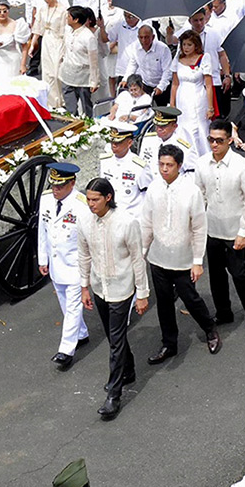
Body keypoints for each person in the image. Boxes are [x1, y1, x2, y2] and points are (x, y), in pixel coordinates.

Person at [140, 144, 221, 363]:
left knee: (190, 298)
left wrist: (197, 261)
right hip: (158, 258)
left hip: (183, 259)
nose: (164, 169)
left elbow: (198, 228)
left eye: (169, 165)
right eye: (161, 164)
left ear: (180, 166)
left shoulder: (191, 191)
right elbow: (146, 223)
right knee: (164, 304)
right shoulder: (154, 188)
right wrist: (142, 251)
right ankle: (169, 344)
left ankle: (209, 328)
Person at [79, 177, 149, 419]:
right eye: (88, 199)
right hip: (99, 288)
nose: (90, 204)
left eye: (95, 199)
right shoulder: (85, 221)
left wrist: (142, 294)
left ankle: (114, 396)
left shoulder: (127, 223)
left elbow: (138, 261)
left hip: (121, 289)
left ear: (108, 198)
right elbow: (84, 255)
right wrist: (84, 287)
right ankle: (127, 369)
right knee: (112, 336)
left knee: (116, 342)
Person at [197, 118, 245, 332]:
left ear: (230, 141)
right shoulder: (201, 163)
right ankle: (224, 312)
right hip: (212, 229)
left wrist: (243, 232)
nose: (214, 145)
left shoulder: (242, 167)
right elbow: (200, 196)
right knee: (216, 276)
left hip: (234, 231)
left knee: (239, 273)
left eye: (219, 140)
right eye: (211, 140)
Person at [38, 163, 91, 371]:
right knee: (64, 301)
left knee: (72, 306)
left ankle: (66, 351)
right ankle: (81, 333)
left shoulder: (82, 205)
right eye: (53, 185)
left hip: (76, 265)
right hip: (57, 265)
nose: (55, 190)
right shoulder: (46, 200)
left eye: (60, 186)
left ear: (72, 184)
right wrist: (43, 259)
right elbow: (42, 231)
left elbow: (88, 240)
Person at [171, 30, 216, 156]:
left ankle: (202, 155)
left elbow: (208, 85)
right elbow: (175, 84)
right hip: (182, 98)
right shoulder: (177, 58)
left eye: (189, 45)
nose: (186, 48)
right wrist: (172, 105)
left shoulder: (204, 58)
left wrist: (210, 107)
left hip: (198, 98)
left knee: (198, 127)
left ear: (196, 45)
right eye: (184, 44)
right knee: (182, 125)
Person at [98, 121, 147, 217]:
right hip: (110, 216)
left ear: (129, 143)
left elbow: (146, 195)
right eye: (112, 141)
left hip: (131, 217)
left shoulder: (139, 166)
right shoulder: (105, 161)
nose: (114, 145)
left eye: (118, 142)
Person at [59, 6, 101, 116]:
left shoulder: (88, 37)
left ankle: (88, 127)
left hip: (82, 77)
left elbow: (94, 61)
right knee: (70, 108)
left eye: (68, 16)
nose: (66, 18)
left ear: (76, 19)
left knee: (86, 106)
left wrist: (94, 81)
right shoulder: (68, 31)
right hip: (67, 74)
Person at [124, 23, 174, 105]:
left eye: (146, 37)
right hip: (146, 84)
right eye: (141, 37)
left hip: (163, 86)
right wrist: (125, 79)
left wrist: (161, 87)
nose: (143, 40)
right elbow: (133, 64)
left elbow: (167, 71)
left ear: (153, 37)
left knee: (162, 113)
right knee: (143, 110)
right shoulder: (135, 47)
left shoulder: (163, 49)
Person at [0, 0, 32, 80]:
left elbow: (24, 45)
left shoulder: (17, 24)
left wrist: (23, 65)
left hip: (13, 61)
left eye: (5, 11)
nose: (2, 13)